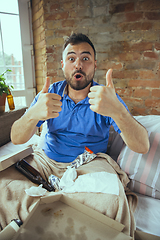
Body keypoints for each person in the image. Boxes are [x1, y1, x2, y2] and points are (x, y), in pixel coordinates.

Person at [11, 33, 149, 162]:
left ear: (94, 65)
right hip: (48, 163)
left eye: (85, 58)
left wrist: (118, 112)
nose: (78, 65)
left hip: (92, 166)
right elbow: (16, 139)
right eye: (71, 59)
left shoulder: (106, 97)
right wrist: (32, 114)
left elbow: (143, 147)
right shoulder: (50, 93)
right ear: (63, 65)